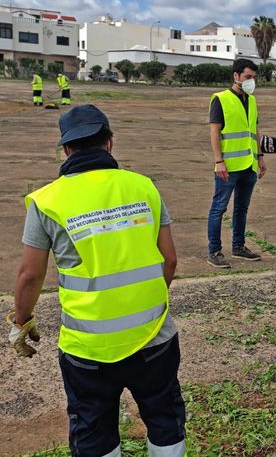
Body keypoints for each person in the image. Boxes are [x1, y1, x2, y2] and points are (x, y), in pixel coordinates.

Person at [7, 104, 186, 456]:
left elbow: (29, 275)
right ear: (109, 143)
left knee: (93, 428)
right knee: (164, 417)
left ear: (66, 150)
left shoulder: (47, 202)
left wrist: (22, 320)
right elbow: (170, 260)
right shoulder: (143, 187)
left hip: (87, 350)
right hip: (154, 338)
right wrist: (142, 300)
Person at [207, 58, 267, 268]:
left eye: (253, 78)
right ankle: (214, 251)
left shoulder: (251, 100)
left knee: (241, 208)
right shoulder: (220, 99)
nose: (251, 81)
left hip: (248, 165)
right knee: (218, 209)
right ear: (236, 76)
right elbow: (214, 131)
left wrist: (260, 157)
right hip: (228, 167)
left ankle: (238, 246)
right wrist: (219, 161)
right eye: (248, 77)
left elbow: (255, 130)